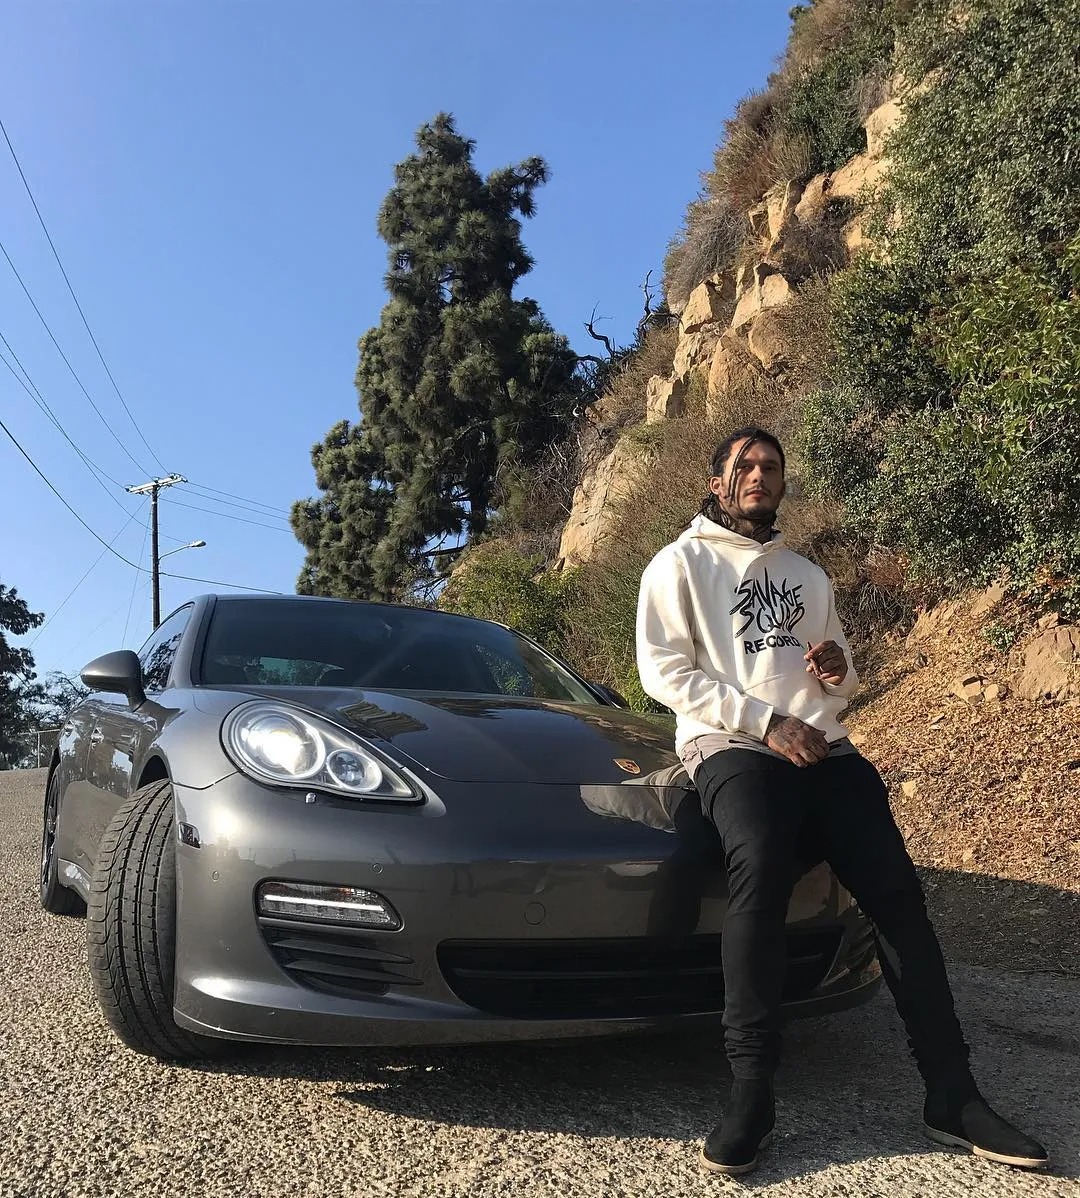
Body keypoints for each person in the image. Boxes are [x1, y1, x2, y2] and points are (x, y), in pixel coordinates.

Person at [635, 426, 1048, 1177]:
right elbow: (662, 671)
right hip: (732, 744)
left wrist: (838, 668)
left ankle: (952, 1094)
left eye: (771, 466)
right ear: (717, 481)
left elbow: (842, 681)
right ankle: (752, 1093)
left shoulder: (807, 575)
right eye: (745, 465)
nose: (760, 475)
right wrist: (766, 721)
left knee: (898, 898)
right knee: (759, 870)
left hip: (826, 746)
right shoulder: (680, 563)